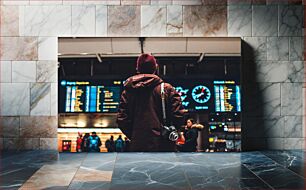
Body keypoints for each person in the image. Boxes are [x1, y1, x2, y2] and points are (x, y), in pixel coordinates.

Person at [117, 53, 185, 152]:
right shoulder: (166, 89)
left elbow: (122, 119)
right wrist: (170, 131)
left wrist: (135, 136)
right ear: (155, 68)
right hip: (164, 146)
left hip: (137, 147)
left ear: (138, 69)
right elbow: (179, 115)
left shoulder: (128, 92)